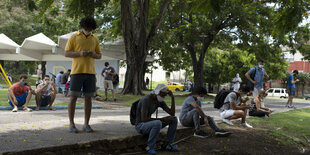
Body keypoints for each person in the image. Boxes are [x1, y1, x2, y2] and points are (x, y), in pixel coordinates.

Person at [64, 16, 102, 133]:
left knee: (88, 98)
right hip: (76, 72)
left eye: (91, 28)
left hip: (90, 73)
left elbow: (99, 55)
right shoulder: (74, 37)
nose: (88, 29)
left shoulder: (94, 38)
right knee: (73, 97)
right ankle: (71, 124)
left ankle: (86, 124)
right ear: (83, 26)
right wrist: (79, 53)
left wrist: (92, 54)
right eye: (87, 27)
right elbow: (66, 53)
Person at [135, 84, 179, 154]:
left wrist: (172, 98)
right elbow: (144, 119)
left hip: (149, 124)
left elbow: (172, 113)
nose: (163, 97)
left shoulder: (159, 101)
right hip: (140, 126)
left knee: (173, 119)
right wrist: (162, 119)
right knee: (157, 122)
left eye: (165, 95)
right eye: (163, 95)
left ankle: (167, 144)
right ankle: (150, 147)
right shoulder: (146, 100)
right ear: (157, 92)